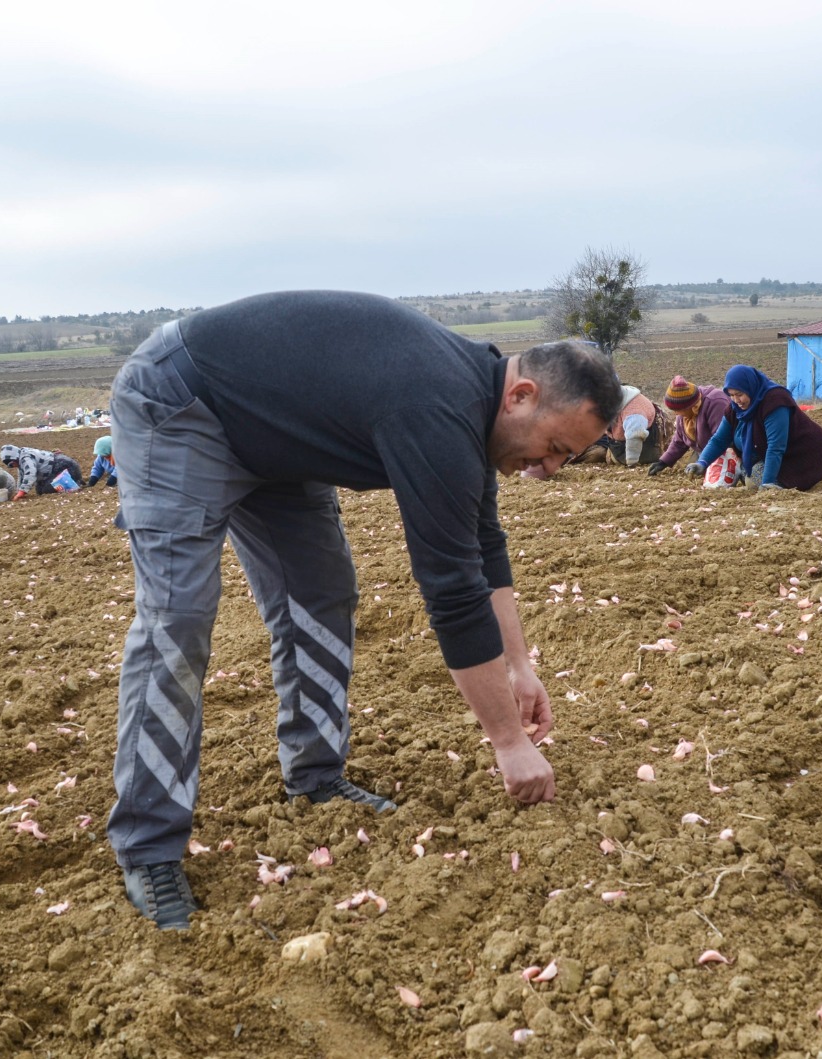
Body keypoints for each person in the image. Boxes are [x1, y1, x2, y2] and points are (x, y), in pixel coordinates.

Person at [106, 291, 619, 931]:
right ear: (521, 395)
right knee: (177, 616)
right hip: (183, 403)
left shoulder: (473, 408)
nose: (547, 468)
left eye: (565, 457)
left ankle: (316, 775)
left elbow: (484, 547)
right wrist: (508, 742)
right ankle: (148, 845)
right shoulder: (437, 406)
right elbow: (452, 590)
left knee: (322, 593)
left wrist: (519, 667)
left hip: (275, 444)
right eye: (552, 446)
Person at [688, 365, 822, 491]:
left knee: (754, 480)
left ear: (750, 387)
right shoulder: (735, 409)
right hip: (768, 455)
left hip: (800, 456)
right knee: (748, 474)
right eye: (731, 395)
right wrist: (702, 462)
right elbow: (719, 439)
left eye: (739, 394)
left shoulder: (775, 402)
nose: (736, 400)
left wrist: (767, 483)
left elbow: (776, 446)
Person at [646, 376, 731, 476]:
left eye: (677, 410)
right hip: (703, 451)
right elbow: (679, 441)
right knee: (691, 469)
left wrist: (704, 462)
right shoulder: (685, 413)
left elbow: (721, 441)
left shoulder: (715, 403)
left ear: (690, 406)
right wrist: (663, 462)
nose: (676, 414)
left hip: (725, 450)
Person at [574, 384, 671, 467]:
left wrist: (631, 464)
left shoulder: (634, 411)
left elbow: (635, 436)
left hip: (648, 442)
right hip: (619, 437)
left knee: (603, 456)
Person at [0, 444, 84, 498]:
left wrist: (21, 492)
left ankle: (75, 484)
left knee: (47, 490)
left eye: (12, 463)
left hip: (64, 466)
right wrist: (18, 491)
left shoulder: (25, 458)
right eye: (10, 465)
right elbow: (22, 475)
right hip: (51, 471)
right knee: (39, 491)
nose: (13, 466)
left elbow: (30, 473)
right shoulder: (20, 459)